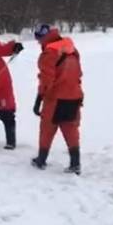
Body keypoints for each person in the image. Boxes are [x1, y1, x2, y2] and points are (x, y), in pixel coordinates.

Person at [31, 25, 84, 174]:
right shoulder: (72, 49)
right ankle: (75, 163)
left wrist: (39, 99)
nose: (38, 43)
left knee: (47, 128)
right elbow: (78, 74)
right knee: (70, 128)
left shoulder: (49, 53)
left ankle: (41, 160)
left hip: (56, 98)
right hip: (74, 95)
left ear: (43, 37)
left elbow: (46, 80)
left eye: (38, 39)